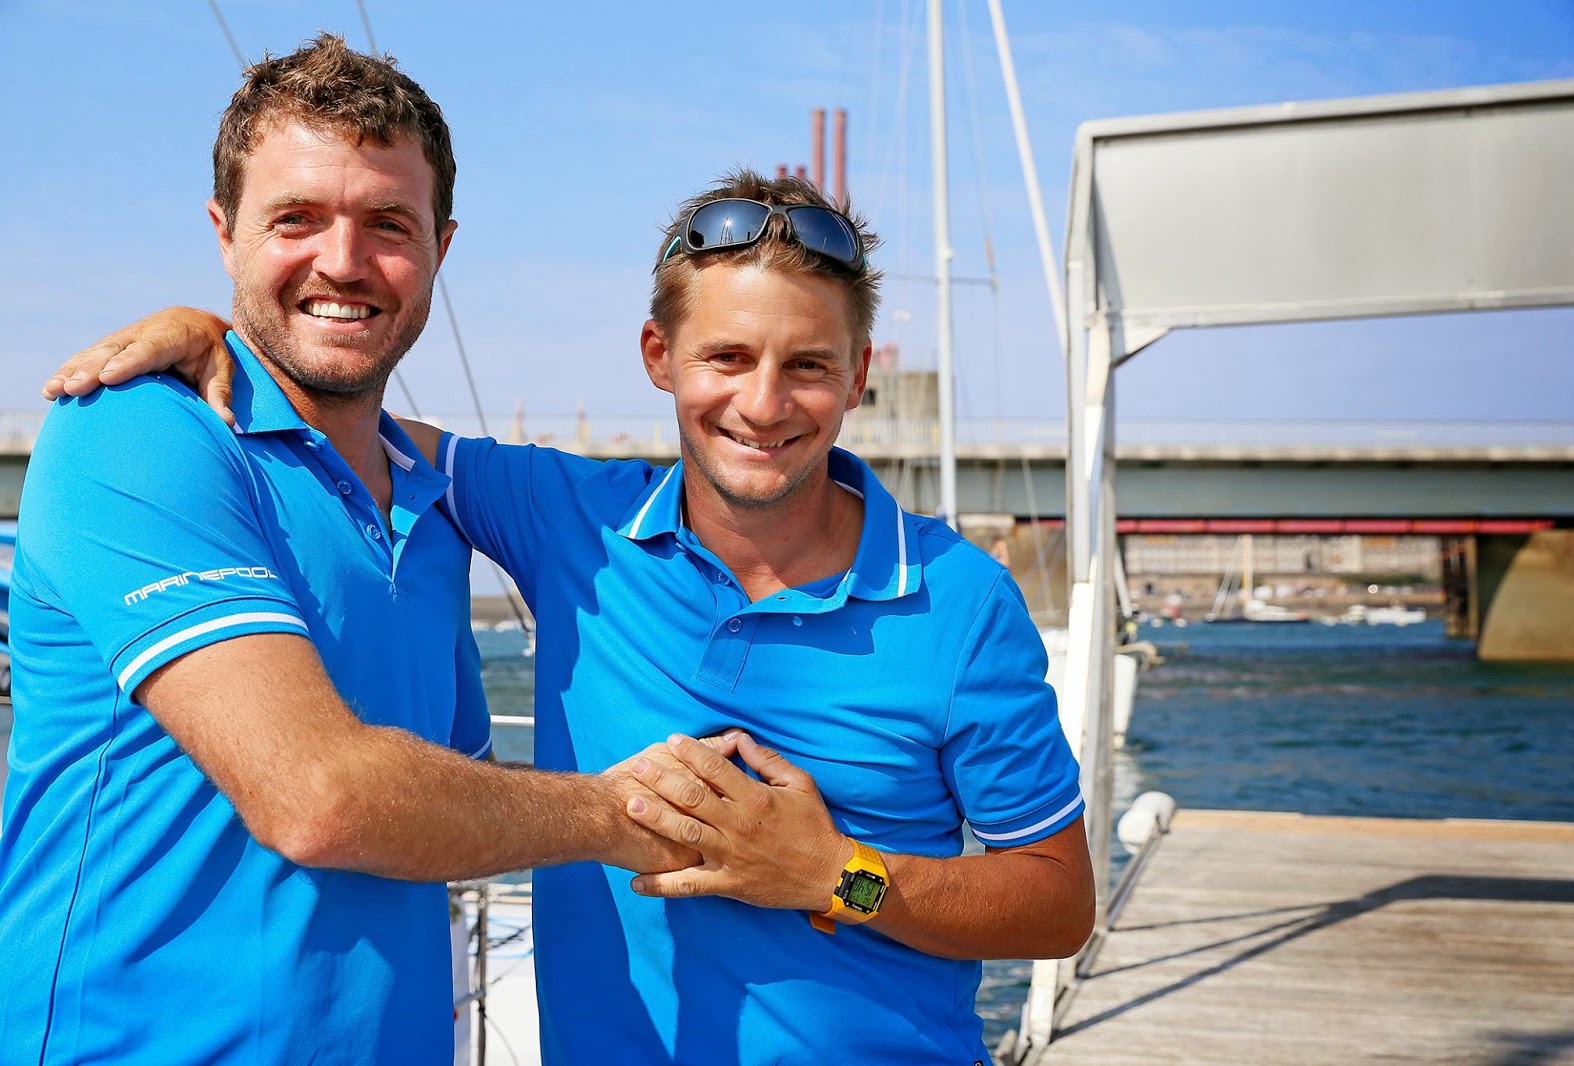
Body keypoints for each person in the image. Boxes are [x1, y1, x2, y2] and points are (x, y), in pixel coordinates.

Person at [52, 170, 1096, 1064]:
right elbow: (341, 417)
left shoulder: (959, 598)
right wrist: (216, 340)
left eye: (809, 366)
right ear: (660, 356)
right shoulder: (568, 519)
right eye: (727, 358)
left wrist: (839, 875)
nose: (765, 403)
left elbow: (1056, 903)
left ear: (859, 374)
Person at [0, 34, 718, 1065]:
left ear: (441, 246)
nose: (343, 261)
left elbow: (442, 803)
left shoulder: (434, 514)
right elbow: (320, 797)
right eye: (295, 219)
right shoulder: (133, 434)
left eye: (387, 223)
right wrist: (621, 810)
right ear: (224, 232)